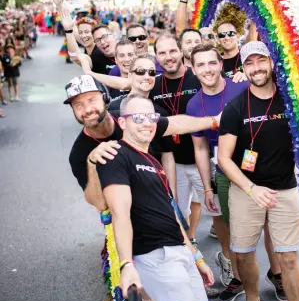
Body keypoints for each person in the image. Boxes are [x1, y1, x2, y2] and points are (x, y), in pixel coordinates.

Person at [97, 94, 219, 301]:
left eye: (151, 117)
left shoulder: (153, 161)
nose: (147, 123)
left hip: (180, 254)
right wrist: (126, 264)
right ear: (122, 123)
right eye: (138, 117)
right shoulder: (116, 155)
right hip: (156, 256)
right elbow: (120, 213)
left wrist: (196, 257)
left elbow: (172, 214)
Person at [218, 41, 299, 301]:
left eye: (261, 62)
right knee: (242, 254)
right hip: (247, 189)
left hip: (285, 189)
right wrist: (250, 188)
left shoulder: (290, 99)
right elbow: (224, 158)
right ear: (243, 68)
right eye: (250, 64)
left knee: (288, 258)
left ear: (271, 63)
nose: (257, 68)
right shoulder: (235, 107)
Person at [188, 42, 285, 301]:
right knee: (234, 229)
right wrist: (207, 188)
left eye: (211, 63)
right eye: (200, 65)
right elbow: (200, 148)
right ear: (193, 70)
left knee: (269, 224)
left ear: (221, 64)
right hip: (226, 171)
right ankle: (241, 279)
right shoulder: (194, 104)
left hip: (260, 168)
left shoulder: (242, 86)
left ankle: (276, 274)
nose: (207, 69)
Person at [66, 74, 222, 213]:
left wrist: (215, 120)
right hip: (123, 215)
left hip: (156, 200)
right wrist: (92, 164)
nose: (87, 109)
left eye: (92, 100)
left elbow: (174, 124)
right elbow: (99, 204)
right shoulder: (79, 153)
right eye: (78, 105)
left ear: (105, 98)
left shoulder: (129, 121)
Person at [149, 33, 203, 245]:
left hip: (202, 157)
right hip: (172, 161)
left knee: (212, 209)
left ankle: (193, 238)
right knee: (178, 210)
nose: (168, 56)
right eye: (162, 53)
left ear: (181, 51)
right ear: (156, 57)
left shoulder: (198, 76)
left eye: (172, 51)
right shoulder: (152, 85)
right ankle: (187, 244)